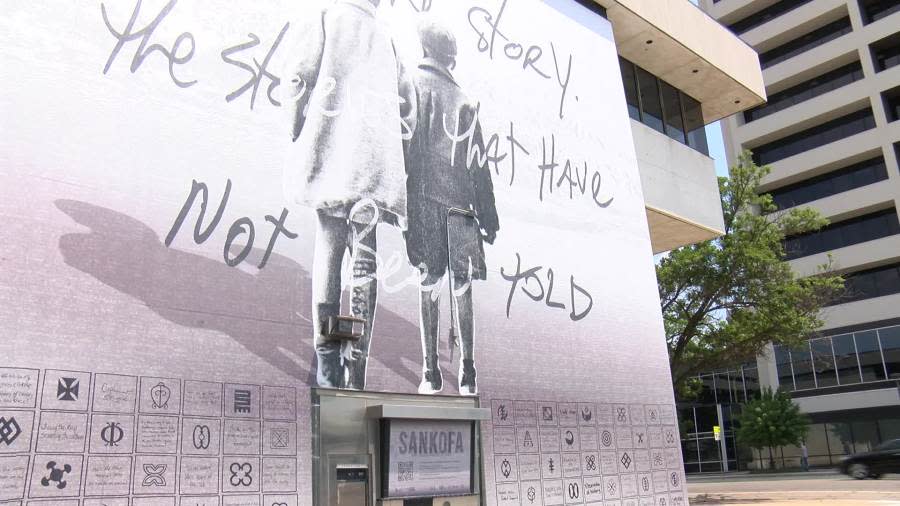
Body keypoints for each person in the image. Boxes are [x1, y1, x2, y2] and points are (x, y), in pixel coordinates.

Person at [282, 0, 415, 390]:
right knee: (365, 264)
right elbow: (409, 108)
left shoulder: (324, 19)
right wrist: (393, 151)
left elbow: (297, 79)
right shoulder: (387, 39)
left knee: (329, 252)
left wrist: (296, 130)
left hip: (332, 158)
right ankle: (356, 365)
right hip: (372, 167)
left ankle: (327, 359)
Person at [404, 20, 499, 396]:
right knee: (463, 288)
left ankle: (430, 371)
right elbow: (480, 167)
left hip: (424, 202)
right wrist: (488, 217)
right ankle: (469, 371)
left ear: (425, 49)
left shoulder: (411, 85)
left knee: (428, 283)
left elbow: (405, 148)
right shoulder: (467, 102)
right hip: (461, 209)